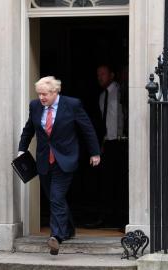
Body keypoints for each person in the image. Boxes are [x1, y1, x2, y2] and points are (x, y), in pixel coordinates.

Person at [18, 76, 101, 255]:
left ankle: (56, 236)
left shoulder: (72, 105)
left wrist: (95, 152)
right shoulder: (35, 106)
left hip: (65, 159)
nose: (41, 98)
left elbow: (87, 128)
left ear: (56, 92)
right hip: (43, 161)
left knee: (56, 197)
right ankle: (69, 229)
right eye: (39, 94)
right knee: (55, 198)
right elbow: (29, 129)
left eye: (45, 94)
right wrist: (21, 150)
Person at [85, 64, 127, 228]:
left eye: (103, 74)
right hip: (108, 143)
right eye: (98, 75)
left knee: (120, 181)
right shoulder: (102, 96)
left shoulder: (121, 91)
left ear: (112, 74)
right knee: (107, 181)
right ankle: (107, 216)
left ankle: (121, 217)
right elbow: (103, 123)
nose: (100, 77)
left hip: (121, 141)